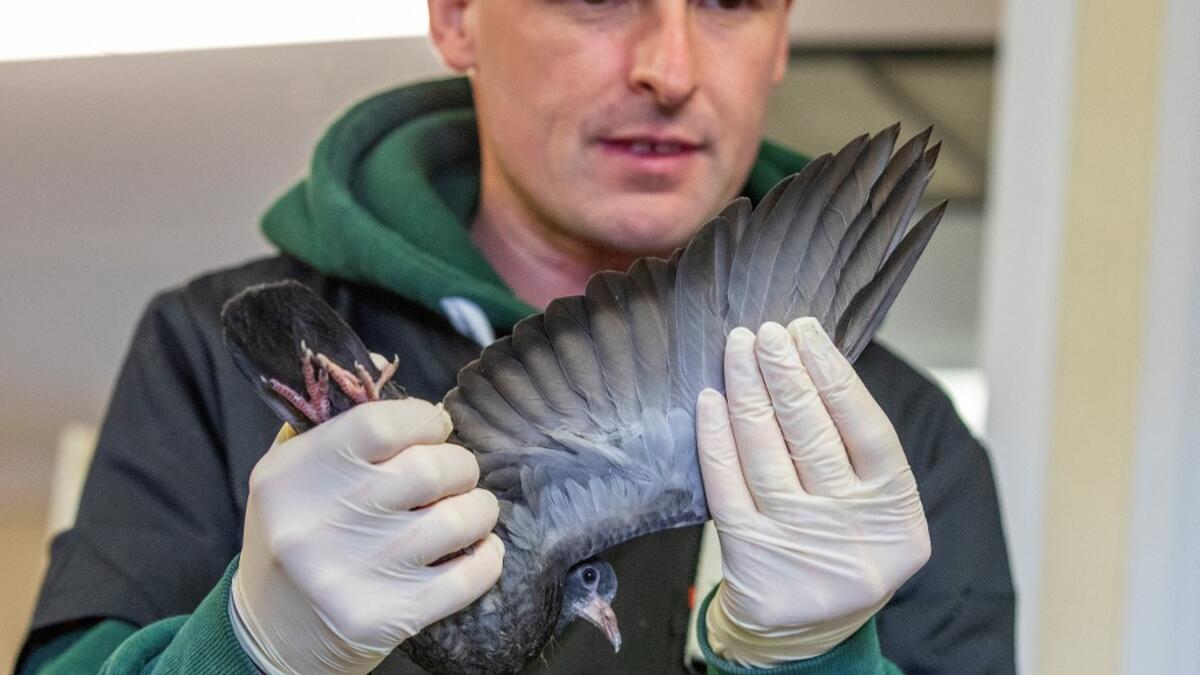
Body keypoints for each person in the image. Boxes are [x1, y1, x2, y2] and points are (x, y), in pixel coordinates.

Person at [17, 1, 1015, 673]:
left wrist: (825, 658)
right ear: (455, 15)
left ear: (785, 29)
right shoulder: (202, 348)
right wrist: (248, 649)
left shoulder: (895, 436)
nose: (668, 67)